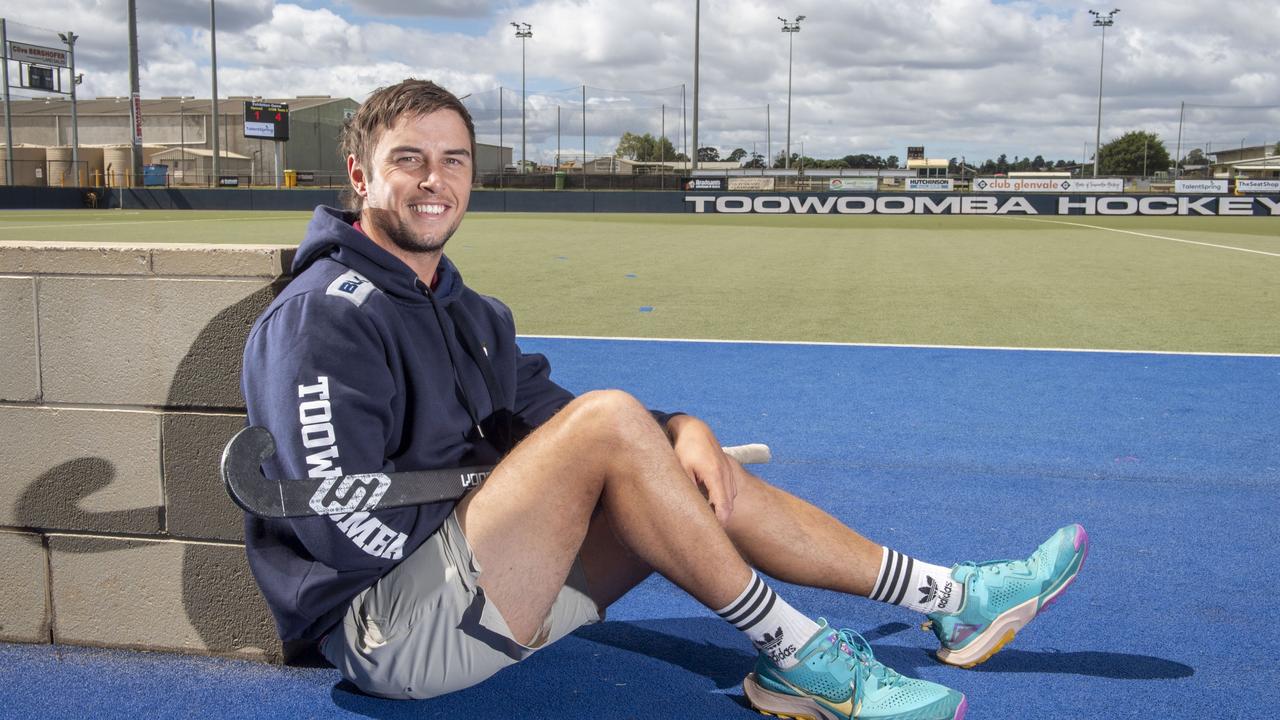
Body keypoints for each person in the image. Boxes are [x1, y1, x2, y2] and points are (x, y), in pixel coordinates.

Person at [240, 78, 1088, 720]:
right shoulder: (323, 316)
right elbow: (337, 518)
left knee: (678, 459)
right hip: (389, 632)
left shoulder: (470, 312)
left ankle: (954, 600)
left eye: (453, 160)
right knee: (614, 422)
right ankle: (799, 653)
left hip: (491, 594)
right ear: (360, 174)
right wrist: (492, 527)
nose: (435, 180)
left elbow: (553, 421)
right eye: (409, 160)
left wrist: (680, 429)